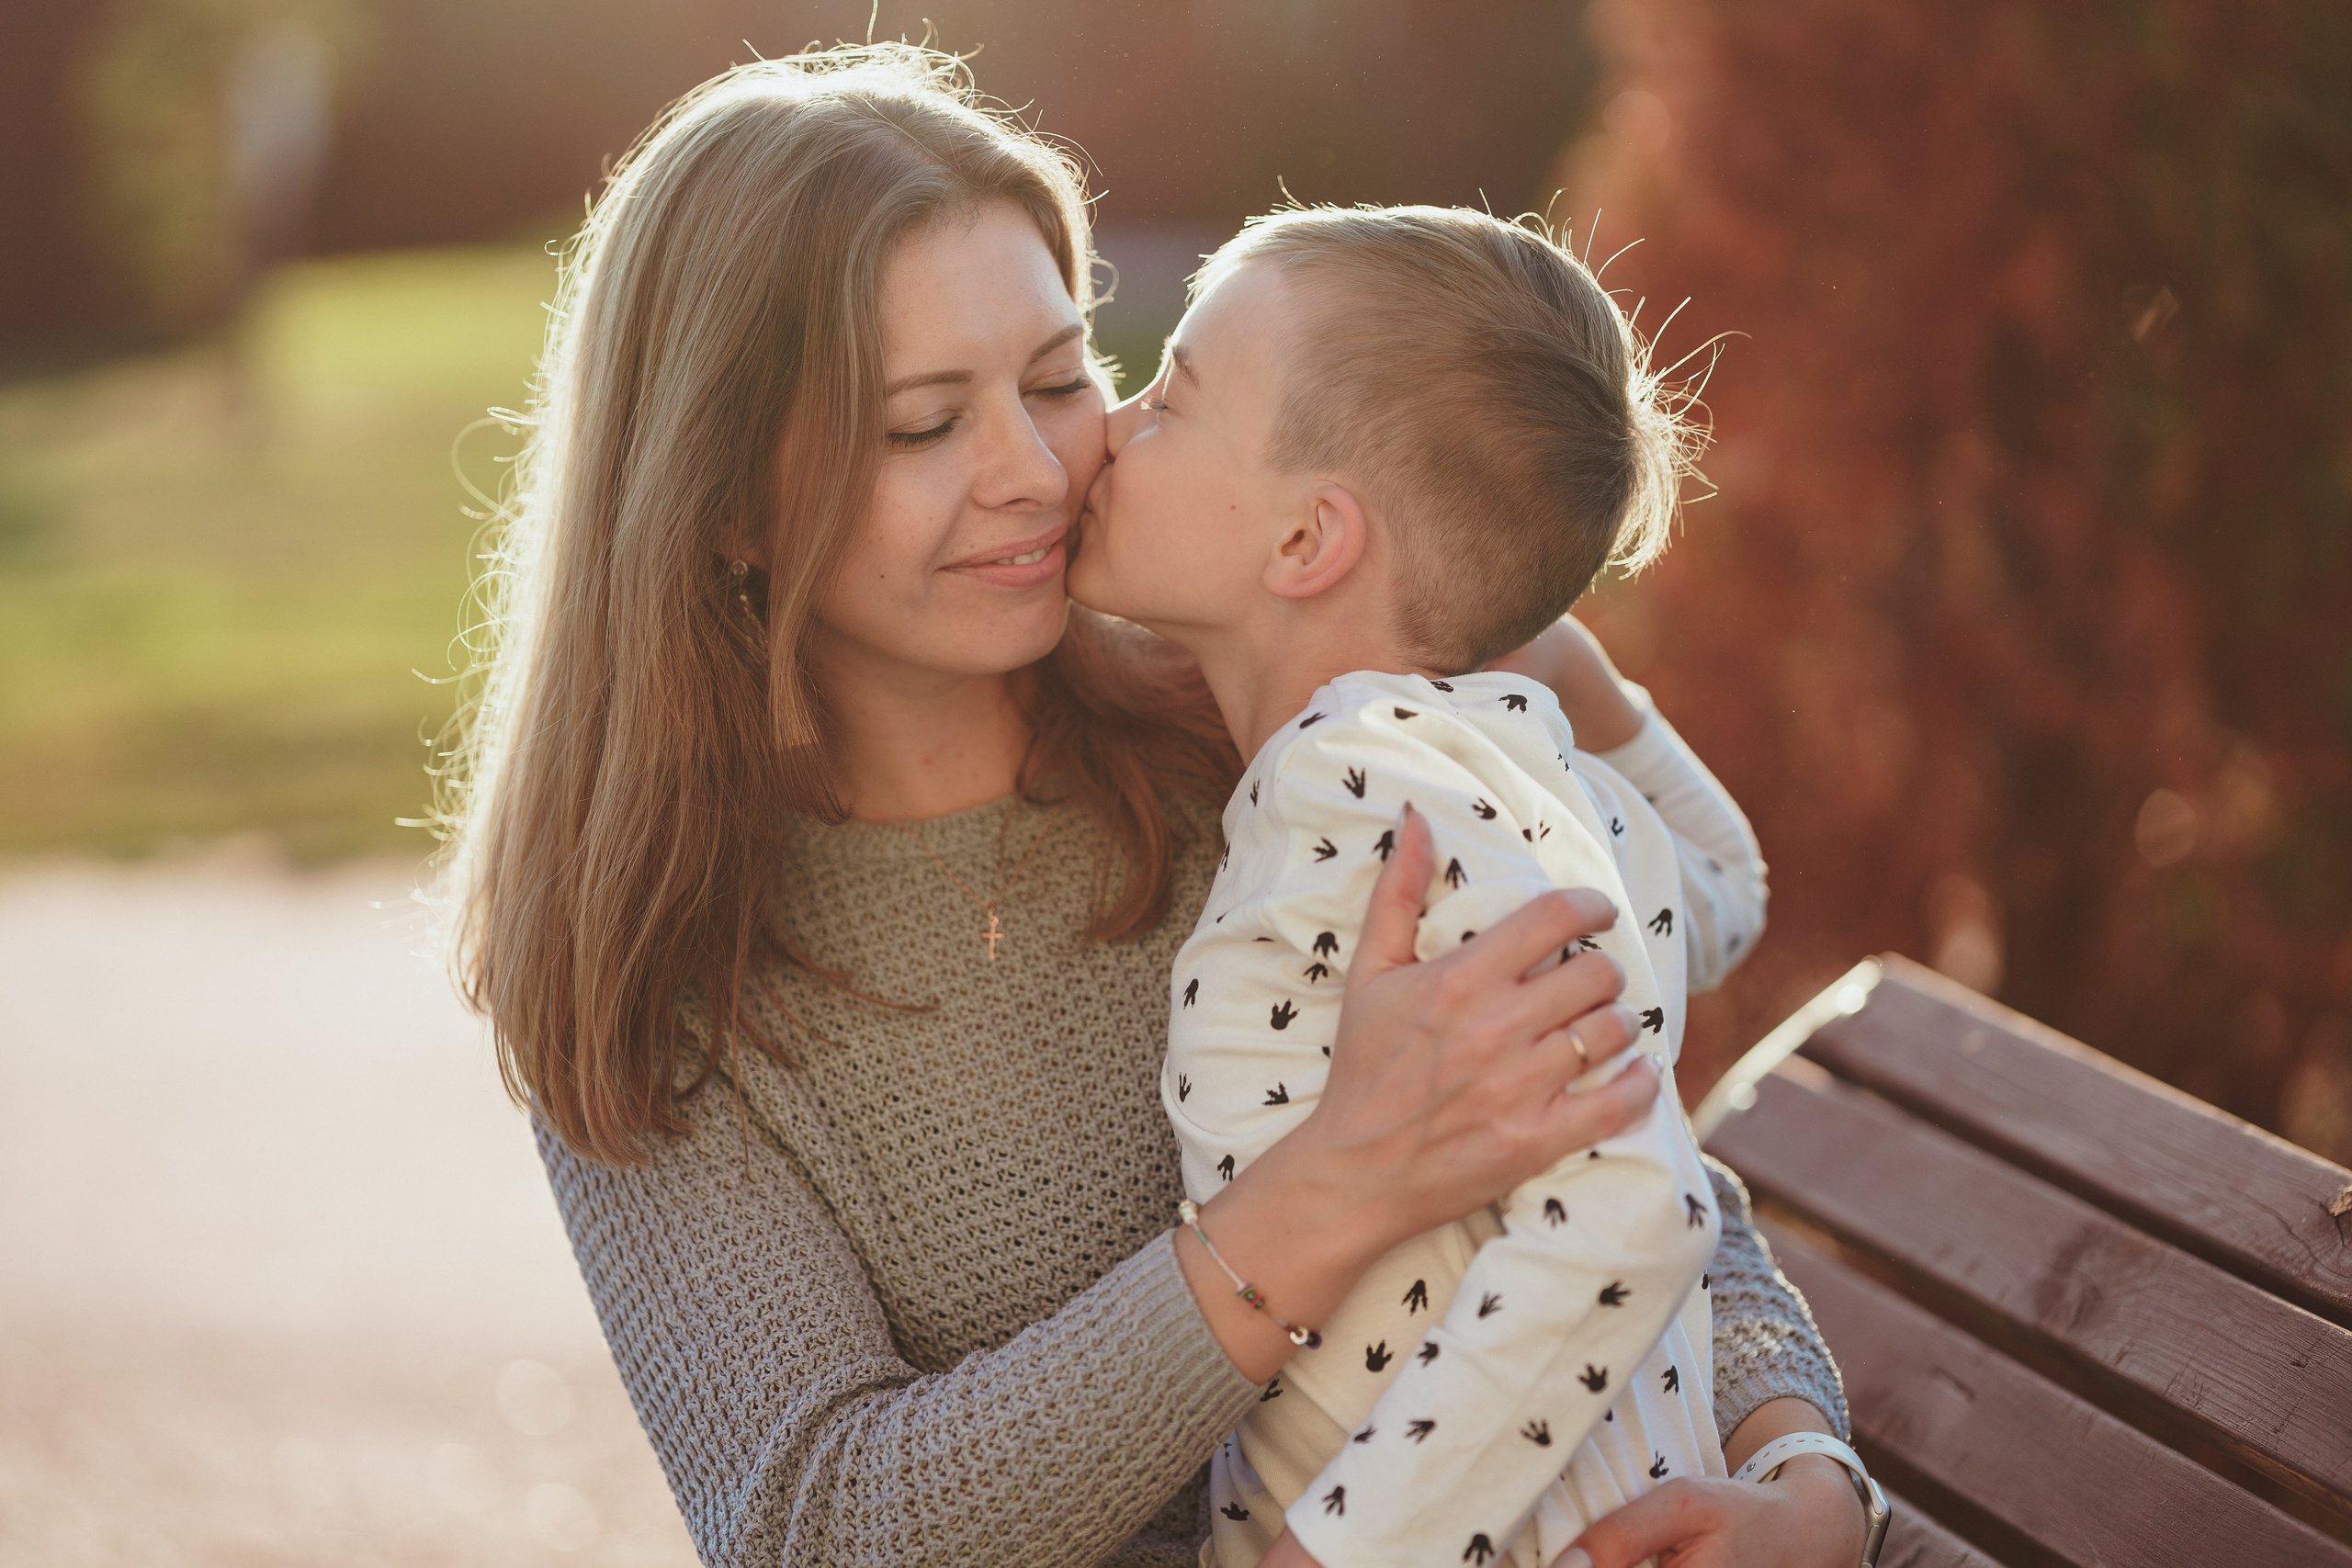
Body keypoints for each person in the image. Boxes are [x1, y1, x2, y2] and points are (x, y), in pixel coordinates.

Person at [444, 43, 1861, 1568]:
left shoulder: (1271, 737)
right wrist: (1333, 1190)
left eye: (1063, 380)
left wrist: (1809, 1475)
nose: (1035, 469)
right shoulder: (647, 969)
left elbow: (1600, 1134)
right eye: (924, 424)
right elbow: (819, 1527)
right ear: (726, 498)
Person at [1067, 205, 1764, 1568]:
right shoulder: (1541, 780)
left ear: (1306, 543)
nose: (1113, 424)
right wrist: (1565, 660)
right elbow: (1727, 887)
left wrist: (1340, 1554)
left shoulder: (1370, 784)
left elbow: (1637, 1204)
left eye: (1171, 397)